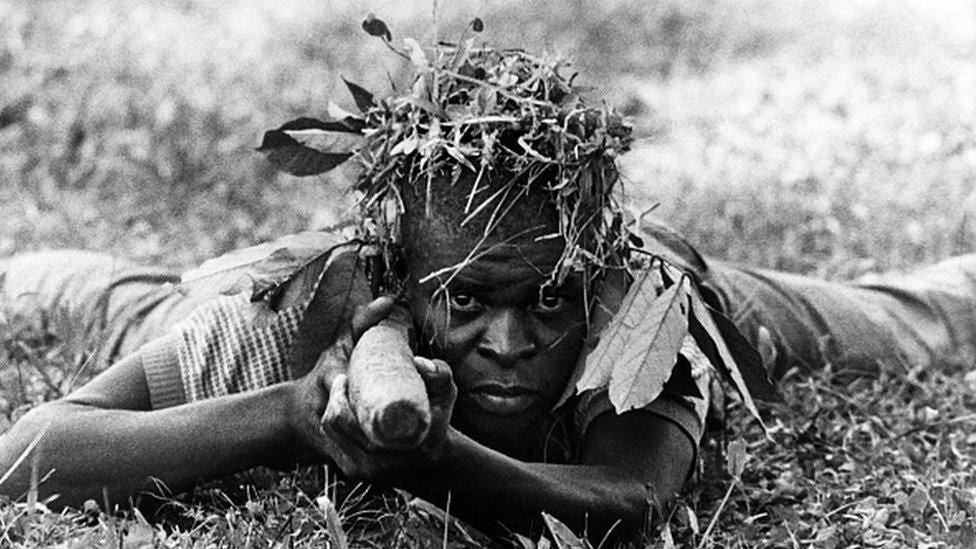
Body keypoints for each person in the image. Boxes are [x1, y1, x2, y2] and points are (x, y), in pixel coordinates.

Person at [1, 44, 975, 544]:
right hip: (209, 304)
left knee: (915, 322)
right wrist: (288, 417)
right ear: (405, 281)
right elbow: (28, 457)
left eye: (546, 301)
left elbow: (632, 497)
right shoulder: (300, 306)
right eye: (468, 300)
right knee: (95, 296)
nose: (509, 340)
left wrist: (440, 461)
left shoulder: (639, 301)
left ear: (593, 271)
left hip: (742, 301)